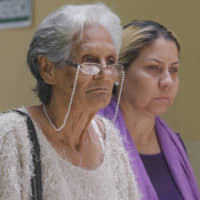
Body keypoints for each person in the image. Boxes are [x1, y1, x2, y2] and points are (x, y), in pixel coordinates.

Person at [0, 4, 141, 200]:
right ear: (48, 69)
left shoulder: (109, 139)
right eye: (89, 60)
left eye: (110, 61)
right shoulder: (11, 138)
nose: (104, 73)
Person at [100, 20, 200, 200]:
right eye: (153, 68)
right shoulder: (90, 142)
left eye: (174, 69)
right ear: (117, 73)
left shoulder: (175, 146)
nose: (167, 81)